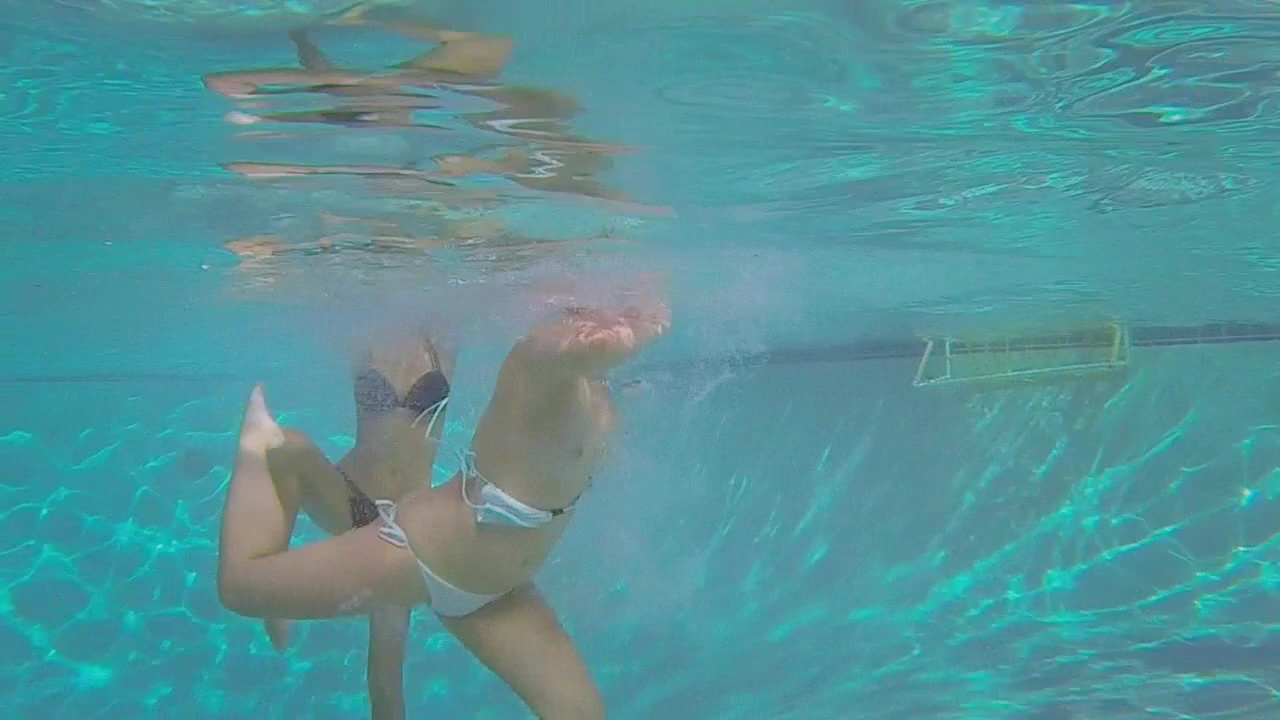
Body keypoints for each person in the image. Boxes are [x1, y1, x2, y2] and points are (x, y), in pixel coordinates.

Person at [217, 300, 670, 718]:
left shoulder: (587, 395)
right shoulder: (536, 359)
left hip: (494, 585)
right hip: (416, 547)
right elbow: (577, 346)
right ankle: (261, 450)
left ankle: (282, 536)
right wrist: (637, 325)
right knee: (243, 585)